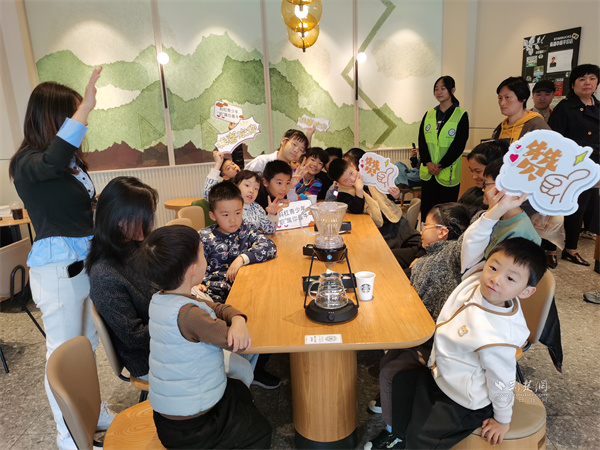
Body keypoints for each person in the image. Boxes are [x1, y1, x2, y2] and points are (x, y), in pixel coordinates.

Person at [8, 68, 116, 449]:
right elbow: (53, 161)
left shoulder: (70, 164)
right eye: (71, 115)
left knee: (86, 346)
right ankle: (67, 435)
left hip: (84, 262)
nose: (80, 122)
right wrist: (85, 108)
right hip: (57, 270)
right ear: (52, 118)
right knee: (63, 353)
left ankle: (92, 411)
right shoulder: (27, 163)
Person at [388, 235, 545, 449]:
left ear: (526, 291)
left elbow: (502, 380)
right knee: (402, 381)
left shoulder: (498, 337)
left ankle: (412, 442)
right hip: (444, 373)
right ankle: (400, 438)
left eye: (510, 279)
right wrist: (492, 215)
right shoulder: (475, 279)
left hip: (466, 400)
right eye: (493, 268)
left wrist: (502, 420)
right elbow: (472, 241)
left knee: (421, 436)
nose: (496, 279)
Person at [137, 225, 272, 449]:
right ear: (193, 269)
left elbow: (215, 307)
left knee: (237, 391)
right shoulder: (189, 315)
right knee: (260, 431)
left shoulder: (163, 298)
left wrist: (237, 318)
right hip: (191, 427)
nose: (206, 258)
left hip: (171, 413)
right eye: (203, 253)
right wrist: (238, 323)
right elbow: (236, 342)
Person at [365, 203, 471, 450]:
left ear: (443, 232)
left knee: (391, 371)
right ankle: (392, 404)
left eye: (426, 226)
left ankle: (396, 435)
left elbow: (473, 235)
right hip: (418, 328)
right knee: (387, 359)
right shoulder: (428, 255)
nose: (421, 231)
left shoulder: (452, 255)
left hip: (436, 341)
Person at [87, 176, 158, 380]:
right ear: (120, 219)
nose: (150, 222)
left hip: (166, 339)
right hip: (149, 359)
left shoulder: (134, 245)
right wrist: (179, 321)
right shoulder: (104, 274)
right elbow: (135, 337)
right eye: (146, 216)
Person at [548, 63, 599, 267]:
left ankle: (571, 249)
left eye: (592, 78)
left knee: (580, 208)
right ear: (573, 84)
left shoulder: (598, 107)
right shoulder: (564, 107)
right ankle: (550, 249)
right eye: (582, 79)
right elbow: (554, 139)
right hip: (566, 166)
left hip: (591, 166)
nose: (587, 83)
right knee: (555, 207)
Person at [328, 158, 422, 268]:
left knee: (421, 242)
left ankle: (414, 259)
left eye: (351, 173)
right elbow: (356, 209)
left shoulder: (371, 177)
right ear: (339, 183)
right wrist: (359, 190)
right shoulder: (343, 194)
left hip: (397, 221)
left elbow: (387, 195)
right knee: (381, 257)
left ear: (353, 166)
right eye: (346, 180)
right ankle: (406, 263)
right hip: (382, 230)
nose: (352, 179)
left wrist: (396, 195)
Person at [200, 181, 277, 304]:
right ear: (213, 216)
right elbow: (190, 266)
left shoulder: (246, 230)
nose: (233, 220)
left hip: (243, 289)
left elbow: (270, 247)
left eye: (237, 213)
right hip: (213, 296)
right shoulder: (204, 237)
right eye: (225, 215)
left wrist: (242, 258)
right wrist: (195, 284)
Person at [418, 76, 470, 220]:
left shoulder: (461, 115)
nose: (439, 92)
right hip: (429, 173)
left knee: (446, 215)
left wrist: (441, 165)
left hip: (448, 174)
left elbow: (459, 144)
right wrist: (428, 163)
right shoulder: (429, 114)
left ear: (452, 90)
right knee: (427, 212)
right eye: (436, 89)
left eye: (443, 88)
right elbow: (422, 141)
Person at [479, 159, 541, 259]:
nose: (483, 189)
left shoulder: (519, 233)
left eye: (485, 184)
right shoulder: (498, 217)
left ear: (503, 187)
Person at [491, 76, 550, 145]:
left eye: (507, 97)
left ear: (522, 98)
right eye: (500, 98)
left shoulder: (536, 125)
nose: (502, 103)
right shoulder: (500, 127)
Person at [459, 141, 506, 219]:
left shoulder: (498, 201)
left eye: (478, 171)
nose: (474, 176)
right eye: (471, 170)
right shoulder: (470, 192)